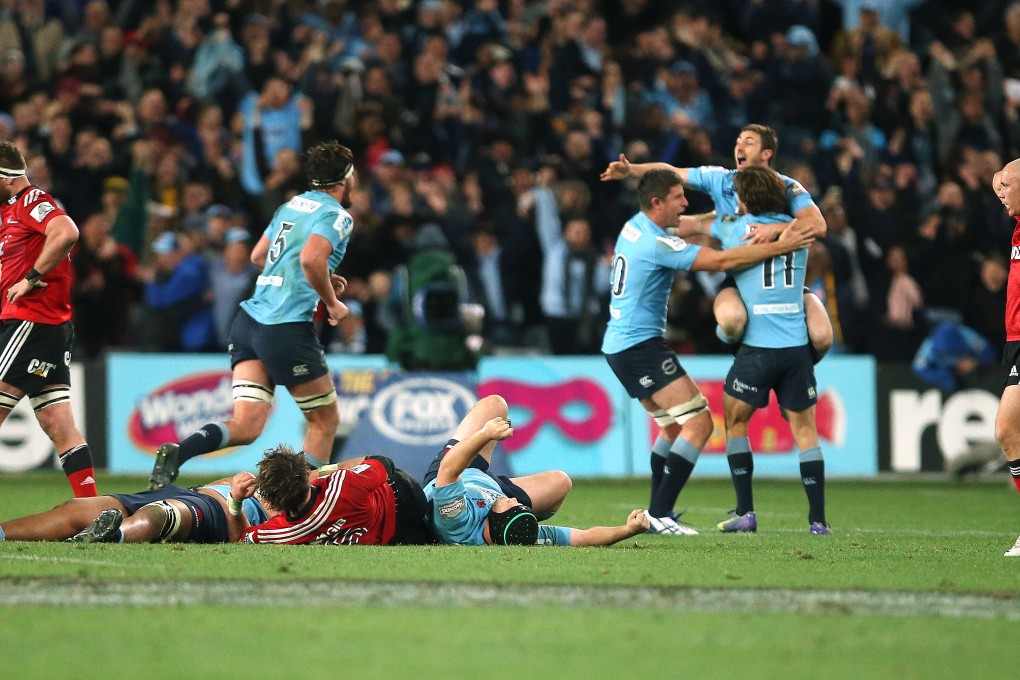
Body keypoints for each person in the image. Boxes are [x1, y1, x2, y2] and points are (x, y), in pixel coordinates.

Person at [601, 169, 814, 535]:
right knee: (698, 422)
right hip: (638, 347)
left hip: (620, 345)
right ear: (657, 203)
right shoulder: (657, 244)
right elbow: (720, 263)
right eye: (678, 197)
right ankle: (661, 513)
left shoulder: (634, 226)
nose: (685, 204)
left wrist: (732, 218)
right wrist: (783, 244)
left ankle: (656, 513)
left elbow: (698, 224)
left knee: (670, 427)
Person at [148, 141, 357, 490]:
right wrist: (332, 301)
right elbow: (310, 259)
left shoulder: (290, 206)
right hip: (285, 326)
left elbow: (260, 256)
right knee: (324, 421)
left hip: (248, 323)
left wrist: (317, 276)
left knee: (247, 424)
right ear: (346, 179)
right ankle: (301, 511)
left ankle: (179, 452)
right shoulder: (336, 215)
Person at [599, 123, 833, 363]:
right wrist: (631, 171)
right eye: (738, 141)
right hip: (741, 274)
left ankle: (799, 362)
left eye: (749, 142)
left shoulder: (787, 187)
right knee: (731, 323)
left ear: (767, 153)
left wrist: (775, 228)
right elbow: (672, 172)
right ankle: (745, 349)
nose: (739, 146)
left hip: (783, 284)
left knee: (823, 338)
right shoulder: (720, 179)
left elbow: (818, 226)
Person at [688, 166, 830, 534]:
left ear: (745, 199)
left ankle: (746, 512)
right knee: (806, 433)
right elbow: (817, 224)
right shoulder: (799, 229)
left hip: (756, 349)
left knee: (736, 423)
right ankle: (818, 521)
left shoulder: (734, 226)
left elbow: (695, 229)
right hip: (796, 349)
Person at [0, 140, 98, 498]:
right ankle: (93, 509)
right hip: (48, 327)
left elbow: (67, 232)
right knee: (58, 423)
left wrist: (31, 277)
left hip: (31, 322)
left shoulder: (31, 201)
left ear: (7, 178)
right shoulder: (9, 213)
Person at [422, 394, 651, 546]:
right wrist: (628, 530)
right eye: (520, 507)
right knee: (561, 483)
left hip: (461, 472)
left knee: (495, 405)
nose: (513, 500)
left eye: (512, 506)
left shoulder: (457, 520)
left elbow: (449, 469)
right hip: (489, 487)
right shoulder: (521, 533)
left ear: (495, 522)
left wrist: (485, 434)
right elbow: (582, 537)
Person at [225, 444, 436, 546]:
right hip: (406, 501)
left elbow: (239, 539)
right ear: (306, 476)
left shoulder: (279, 533)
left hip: (393, 540)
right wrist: (326, 470)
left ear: (273, 501)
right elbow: (384, 462)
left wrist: (235, 501)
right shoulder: (342, 483)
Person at [0, 475, 268, 544]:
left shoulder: (299, 503)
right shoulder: (275, 477)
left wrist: (235, 502)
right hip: (187, 491)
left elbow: (240, 537)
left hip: (215, 511)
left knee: (159, 516)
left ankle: (110, 535)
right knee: (76, 509)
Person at [992, 158, 1020, 557]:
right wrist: (1008, 177)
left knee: (1007, 427)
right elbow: (1001, 176)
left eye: (1007, 189)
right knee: (1009, 432)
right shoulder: (1017, 225)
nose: (1000, 194)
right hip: (1015, 340)